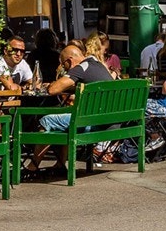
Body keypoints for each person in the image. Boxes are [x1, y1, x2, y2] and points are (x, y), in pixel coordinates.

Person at [26, 42, 114, 172]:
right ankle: (60, 163)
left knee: (47, 120)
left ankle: (33, 166)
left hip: (93, 122)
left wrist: (57, 78)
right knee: (64, 120)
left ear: (70, 61)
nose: (64, 68)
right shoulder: (98, 65)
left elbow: (53, 90)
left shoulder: (81, 68)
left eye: (63, 64)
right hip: (109, 121)